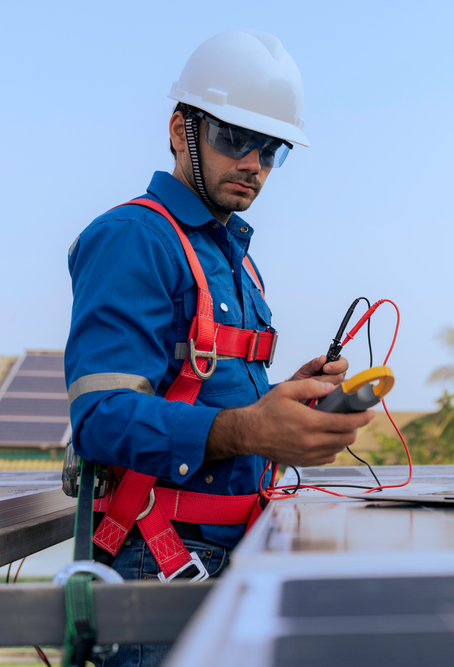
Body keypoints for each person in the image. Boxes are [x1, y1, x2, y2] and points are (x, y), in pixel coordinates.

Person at [64, 29, 373, 666]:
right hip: (164, 563)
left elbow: (219, 401)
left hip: (244, 549)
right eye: (234, 139)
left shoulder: (234, 257)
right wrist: (251, 428)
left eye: (271, 149)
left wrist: (289, 408)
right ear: (181, 131)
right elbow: (98, 421)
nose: (253, 163)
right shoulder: (134, 238)